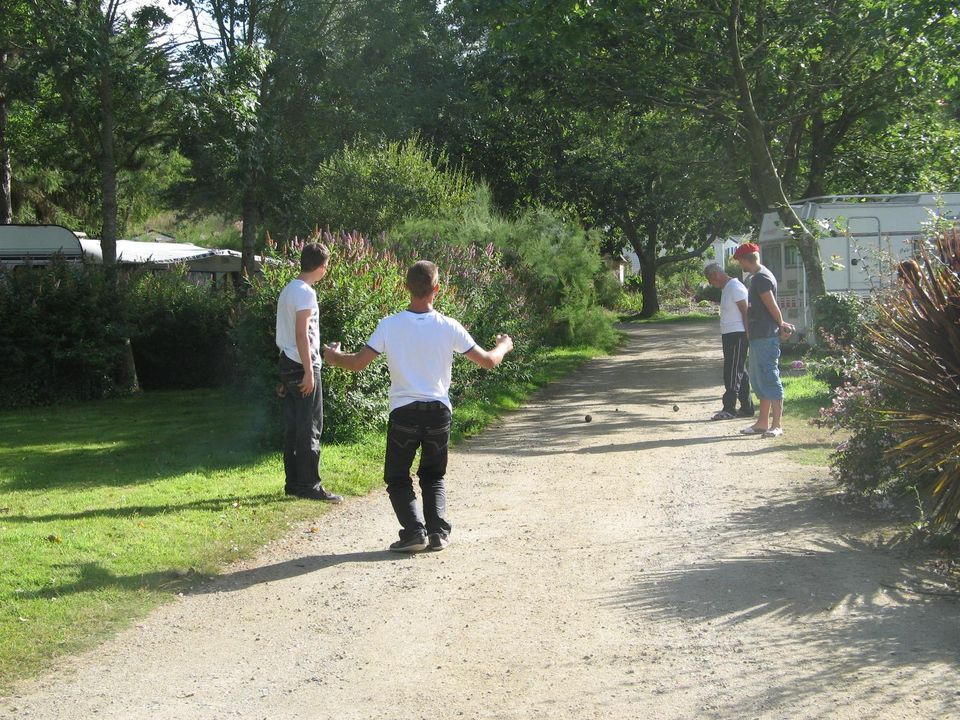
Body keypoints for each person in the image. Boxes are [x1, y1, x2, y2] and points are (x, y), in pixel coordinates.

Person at [323, 260, 514, 553]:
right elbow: (488, 361)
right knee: (433, 475)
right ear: (437, 289)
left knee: (397, 476)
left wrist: (333, 356)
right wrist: (504, 345)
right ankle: (437, 534)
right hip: (439, 411)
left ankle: (413, 532)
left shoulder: (389, 325)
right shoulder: (449, 326)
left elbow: (359, 363)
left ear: (405, 287)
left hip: (404, 412)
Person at [275, 242, 342, 502]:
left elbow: (292, 335)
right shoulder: (306, 293)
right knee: (310, 427)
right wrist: (309, 371)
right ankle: (310, 485)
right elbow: (301, 333)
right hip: (302, 364)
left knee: (293, 428)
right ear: (322, 266)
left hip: (287, 361)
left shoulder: (288, 289)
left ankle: (293, 483)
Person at [732, 243, 794, 438]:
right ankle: (762, 423)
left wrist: (781, 324)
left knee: (769, 377)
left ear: (745, 259)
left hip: (766, 336)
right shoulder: (760, 276)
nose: (739, 264)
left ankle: (776, 425)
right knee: (759, 379)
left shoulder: (760, 278)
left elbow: (771, 305)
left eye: (739, 260)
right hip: (760, 335)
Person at [703, 262, 754, 420]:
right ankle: (747, 408)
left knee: (731, 371)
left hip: (737, 334)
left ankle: (729, 408)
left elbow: (745, 311)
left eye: (710, 279)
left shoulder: (735, 287)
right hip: (730, 334)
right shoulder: (727, 288)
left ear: (716, 275)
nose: (711, 283)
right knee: (740, 371)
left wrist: (748, 334)